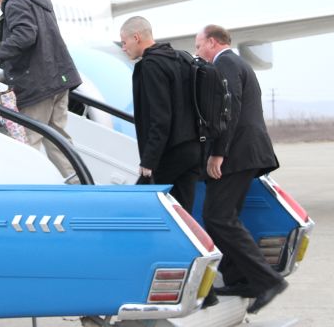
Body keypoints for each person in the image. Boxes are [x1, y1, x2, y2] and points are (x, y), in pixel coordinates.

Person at [194, 24, 287, 314]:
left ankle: (267, 280)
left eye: (198, 46)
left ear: (211, 42)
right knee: (225, 217)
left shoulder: (226, 63)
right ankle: (241, 279)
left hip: (238, 153)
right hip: (245, 151)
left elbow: (228, 109)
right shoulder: (234, 63)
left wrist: (218, 153)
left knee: (217, 216)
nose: (197, 52)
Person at [0, 0, 82, 182]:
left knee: (29, 138)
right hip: (58, 79)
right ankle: (79, 183)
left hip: (38, 84)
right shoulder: (38, 0)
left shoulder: (15, 3)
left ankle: (28, 189)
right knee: (58, 139)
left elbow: (25, 35)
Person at [119, 16, 201, 213]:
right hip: (194, 149)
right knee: (182, 214)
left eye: (124, 42)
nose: (123, 47)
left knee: (138, 207)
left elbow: (160, 116)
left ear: (136, 37)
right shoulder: (181, 58)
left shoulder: (151, 65)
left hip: (170, 152)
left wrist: (149, 160)